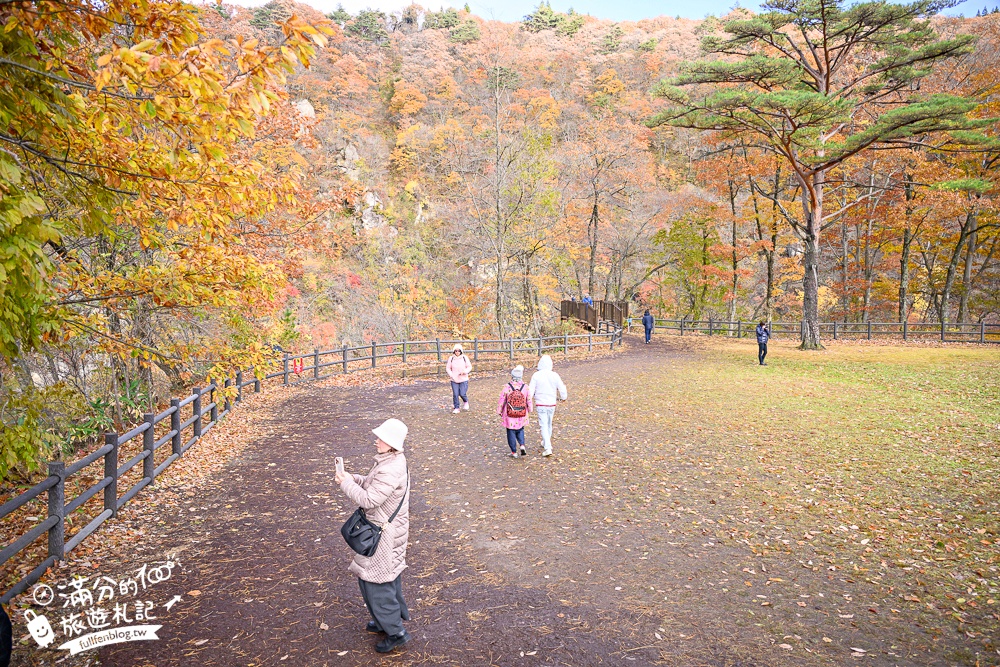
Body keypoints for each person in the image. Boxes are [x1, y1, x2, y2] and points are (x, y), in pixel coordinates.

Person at [336, 418, 412, 654]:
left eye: (381, 438)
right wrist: (354, 479)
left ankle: (396, 632)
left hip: (384, 536)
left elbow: (370, 499)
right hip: (385, 532)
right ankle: (383, 621)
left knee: (378, 584)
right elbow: (373, 485)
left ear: (391, 444)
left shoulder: (391, 467)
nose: (376, 440)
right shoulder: (390, 461)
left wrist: (346, 485)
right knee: (381, 579)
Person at [527, 354, 567, 457]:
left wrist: (528, 401)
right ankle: (546, 442)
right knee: (549, 424)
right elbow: (561, 387)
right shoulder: (554, 375)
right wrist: (563, 397)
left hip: (541, 403)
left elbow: (531, 390)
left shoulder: (536, 375)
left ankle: (547, 446)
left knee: (543, 425)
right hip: (551, 403)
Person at [497, 365, 533, 458]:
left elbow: (502, 400)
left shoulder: (507, 387)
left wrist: (499, 410)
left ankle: (514, 452)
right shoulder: (525, 387)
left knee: (511, 431)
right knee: (520, 429)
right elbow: (528, 400)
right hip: (521, 413)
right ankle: (522, 445)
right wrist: (530, 409)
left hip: (509, 414)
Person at [446, 343, 472, 414]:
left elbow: (469, 367)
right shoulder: (451, 358)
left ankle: (465, 401)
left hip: (463, 379)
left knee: (462, 393)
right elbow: (448, 368)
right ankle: (456, 407)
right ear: (454, 351)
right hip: (454, 379)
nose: (457, 352)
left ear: (461, 351)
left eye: (459, 351)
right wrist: (451, 375)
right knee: (455, 394)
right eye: (456, 351)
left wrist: (464, 372)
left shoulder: (464, 358)